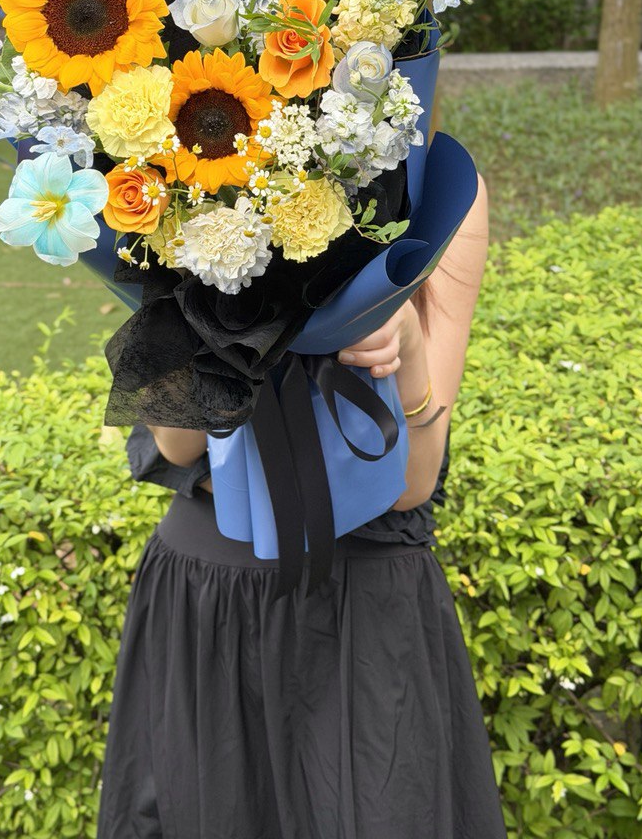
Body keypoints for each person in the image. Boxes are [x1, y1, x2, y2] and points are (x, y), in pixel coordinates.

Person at [96, 175, 504, 839]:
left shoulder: (438, 185)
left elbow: (412, 482)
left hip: (364, 610)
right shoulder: (164, 170)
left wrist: (407, 348)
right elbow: (176, 444)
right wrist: (205, 299)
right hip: (208, 604)